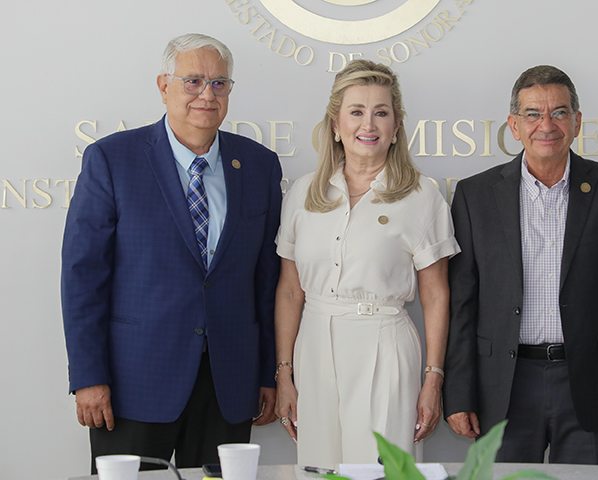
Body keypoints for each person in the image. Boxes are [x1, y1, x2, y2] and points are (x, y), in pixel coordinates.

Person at [61, 33, 282, 472]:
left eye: (219, 83)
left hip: (228, 382)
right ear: (164, 86)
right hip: (134, 381)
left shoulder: (259, 164)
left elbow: (266, 280)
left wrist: (266, 373)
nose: (207, 94)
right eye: (193, 81)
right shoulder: (112, 159)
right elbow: (83, 276)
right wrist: (88, 376)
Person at [443, 65, 598, 465]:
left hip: (591, 384)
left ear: (577, 122)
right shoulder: (475, 196)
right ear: (514, 125)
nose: (547, 125)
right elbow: (462, 303)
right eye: (533, 114)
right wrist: (459, 395)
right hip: (503, 387)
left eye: (559, 112)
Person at [274, 59, 460, 467]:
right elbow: (289, 290)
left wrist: (433, 379)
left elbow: (435, 295)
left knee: (382, 469)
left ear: (396, 126)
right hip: (314, 346)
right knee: (319, 469)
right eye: (356, 111)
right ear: (335, 124)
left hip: (385, 346)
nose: (368, 124)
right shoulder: (303, 193)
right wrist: (284, 372)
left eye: (381, 112)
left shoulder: (421, 196)